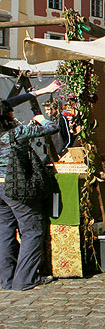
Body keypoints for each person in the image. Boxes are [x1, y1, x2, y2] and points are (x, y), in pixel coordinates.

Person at [0, 81, 60, 291]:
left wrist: (40, 91)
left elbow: (7, 103)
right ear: (6, 115)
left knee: (4, 232)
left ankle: (6, 280)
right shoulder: (16, 132)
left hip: (0, 191)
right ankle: (25, 279)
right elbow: (52, 128)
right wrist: (42, 118)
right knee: (32, 229)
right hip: (14, 186)